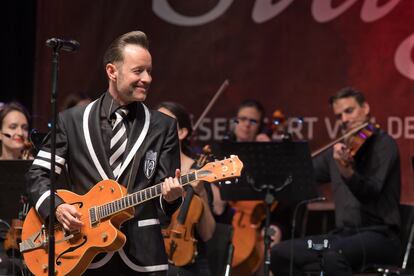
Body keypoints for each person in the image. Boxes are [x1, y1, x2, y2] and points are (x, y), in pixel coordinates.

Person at [25, 30, 184, 275]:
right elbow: (38, 175)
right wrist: (56, 208)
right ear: (112, 71)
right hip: (82, 252)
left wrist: (171, 198)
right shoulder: (71, 121)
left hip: (142, 257)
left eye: (149, 71)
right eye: (138, 71)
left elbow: (164, 196)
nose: (147, 78)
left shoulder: (162, 126)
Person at [270, 87, 401, 275]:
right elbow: (305, 172)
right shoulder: (340, 151)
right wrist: (284, 156)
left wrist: (348, 172)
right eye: (339, 116)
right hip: (341, 237)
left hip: (379, 236)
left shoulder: (383, 145)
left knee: (332, 255)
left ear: (365, 108)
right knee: (281, 253)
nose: (345, 120)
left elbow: (370, 192)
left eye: (349, 111)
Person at [157, 101, 216, 276]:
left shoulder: (197, 171)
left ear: (182, 132)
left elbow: (207, 234)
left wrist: (202, 192)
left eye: (165, 122)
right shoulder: (148, 168)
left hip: (188, 263)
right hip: (153, 255)